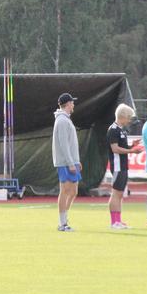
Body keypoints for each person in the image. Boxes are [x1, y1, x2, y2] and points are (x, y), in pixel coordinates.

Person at [107, 104, 142, 229]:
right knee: (116, 194)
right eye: (129, 117)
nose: (129, 120)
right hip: (117, 166)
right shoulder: (113, 129)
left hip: (123, 165)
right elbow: (115, 149)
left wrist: (132, 145)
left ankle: (118, 220)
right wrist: (132, 151)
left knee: (120, 194)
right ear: (123, 116)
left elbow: (122, 147)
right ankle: (114, 222)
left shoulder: (121, 130)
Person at [52, 92, 80, 232]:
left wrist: (76, 161)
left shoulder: (65, 119)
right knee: (65, 191)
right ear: (68, 104)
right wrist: (70, 162)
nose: (73, 104)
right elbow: (64, 144)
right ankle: (62, 223)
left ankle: (64, 218)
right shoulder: (62, 120)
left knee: (74, 191)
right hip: (64, 162)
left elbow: (71, 144)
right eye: (72, 102)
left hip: (71, 161)